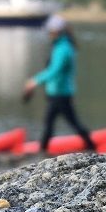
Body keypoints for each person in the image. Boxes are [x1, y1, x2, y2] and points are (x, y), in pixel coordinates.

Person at [24, 14, 96, 152]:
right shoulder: (61, 45)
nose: (48, 34)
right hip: (58, 93)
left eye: (50, 31)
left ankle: (92, 146)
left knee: (62, 123)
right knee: (55, 123)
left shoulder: (63, 48)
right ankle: (43, 151)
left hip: (60, 94)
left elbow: (55, 70)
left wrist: (35, 81)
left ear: (56, 31)